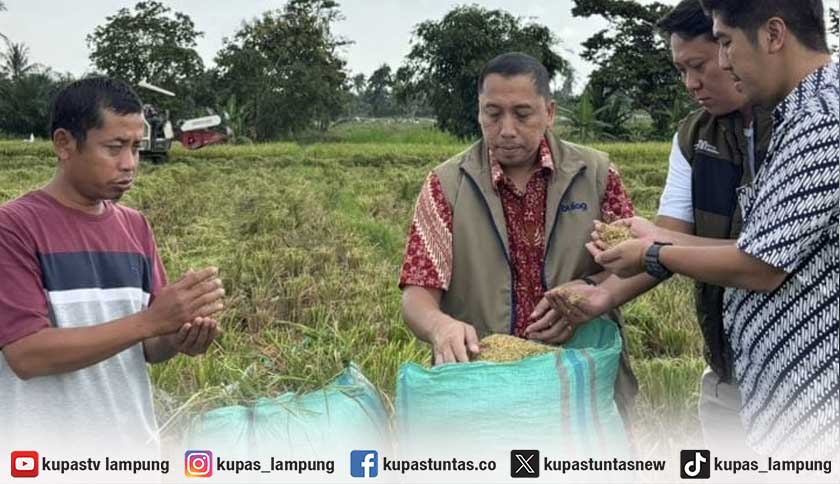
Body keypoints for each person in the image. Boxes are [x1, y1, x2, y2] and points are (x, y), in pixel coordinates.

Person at [589, 0, 838, 457]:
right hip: (765, 383)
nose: (722, 64)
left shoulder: (820, 120)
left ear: (773, 35)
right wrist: (618, 274)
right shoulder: (776, 119)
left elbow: (760, 264)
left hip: (811, 402)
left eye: (725, 44)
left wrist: (653, 250)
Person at [547, 0, 772, 456]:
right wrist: (602, 293)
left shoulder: (805, 126)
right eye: (681, 70)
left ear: (734, 46)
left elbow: (766, 257)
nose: (690, 83)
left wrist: (652, 245)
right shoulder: (695, 137)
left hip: (805, 370)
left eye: (699, 65)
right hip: (729, 371)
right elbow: (667, 237)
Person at [398, 52, 638, 423]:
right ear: (479, 112)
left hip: (576, 381)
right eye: (493, 114)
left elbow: (637, 264)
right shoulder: (445, 186)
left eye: (522, 114)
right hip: (483, 383)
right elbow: (417, 294)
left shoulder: (596, 175)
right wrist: (440, 327)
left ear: (550, 112)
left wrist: (588, 291)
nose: (507, 129)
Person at [0, 77, 226, 454]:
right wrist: (152, 321)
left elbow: (149, 347)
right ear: (64, 144)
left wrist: (177, 336)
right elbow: (27, 354)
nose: (129, 164)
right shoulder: (14, 228)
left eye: (136, 148)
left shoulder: (135, 227)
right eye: (114, 148)